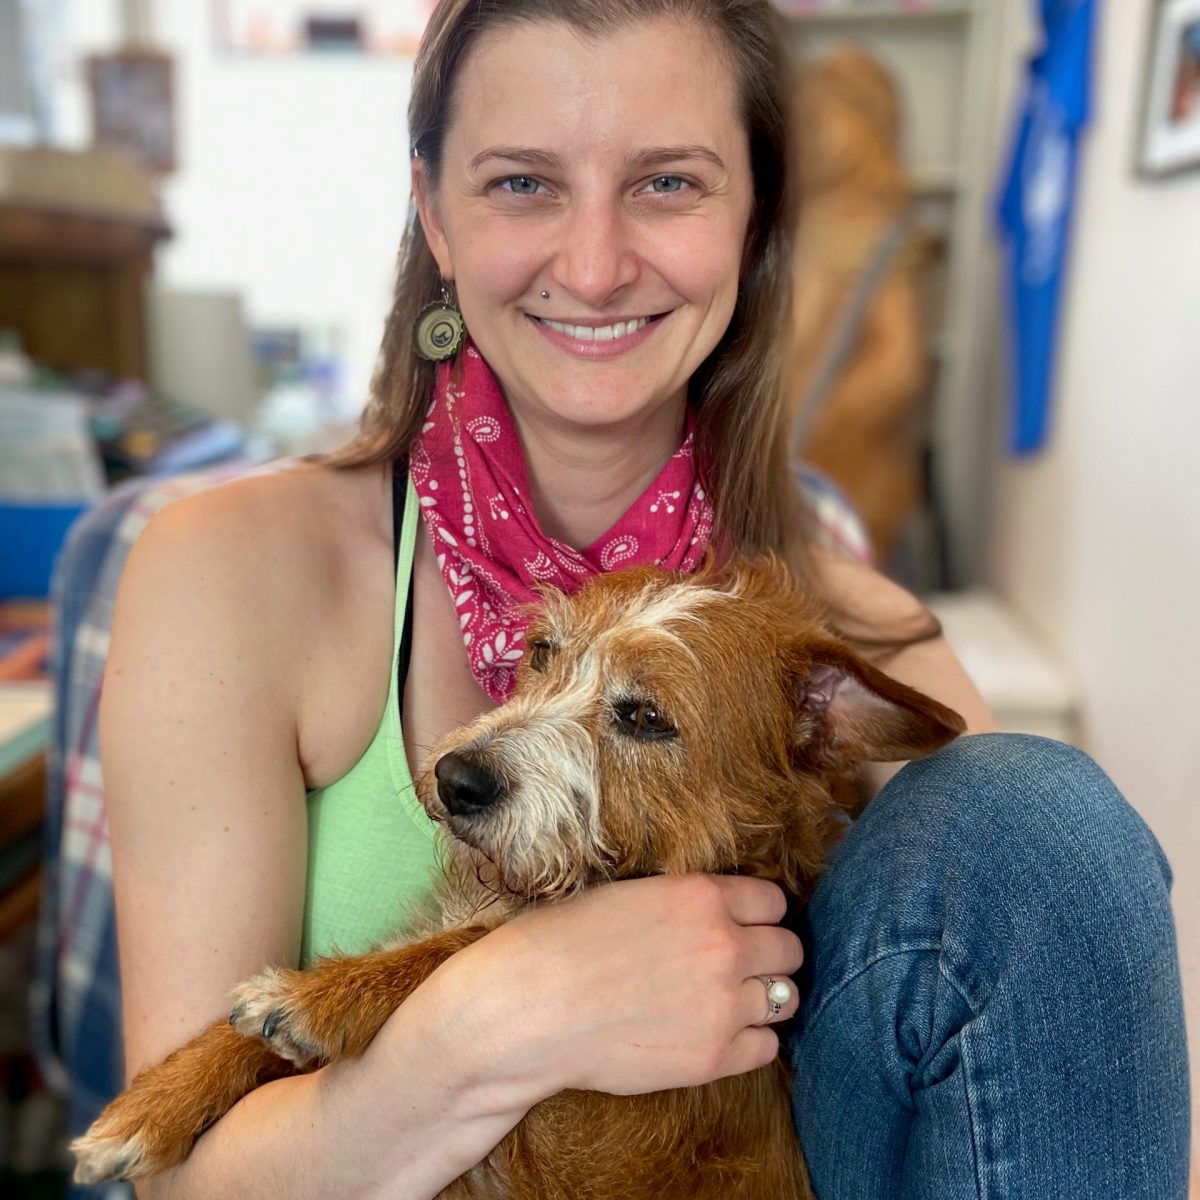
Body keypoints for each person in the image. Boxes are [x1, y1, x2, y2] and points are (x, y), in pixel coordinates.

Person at [100, 2, 1189, 1197]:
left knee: (1035, 813)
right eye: (523, 183)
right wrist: (502, 1017)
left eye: (668, 182)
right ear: (435, 214)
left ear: (754, 217)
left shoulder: (847, 637)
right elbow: (175, 1185)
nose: (593, 264)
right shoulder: (230, 571)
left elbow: (1038, 1049)